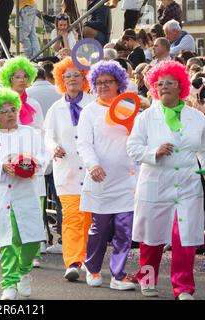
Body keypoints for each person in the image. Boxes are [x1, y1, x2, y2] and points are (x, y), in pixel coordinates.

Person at [127, 60, 205, 300]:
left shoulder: (196, 118)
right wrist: (153, 152)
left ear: (181, 86)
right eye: (160, 83)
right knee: (150, 239)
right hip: (156, 183)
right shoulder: (146, 117)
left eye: (169, 82)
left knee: (185, 238)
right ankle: (147, 280)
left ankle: (184, 288)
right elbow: (133, 147)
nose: (164, 86)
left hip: (187, 184)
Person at [0, 88, 48, 300]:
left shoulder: (31, 134)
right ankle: (8, 283)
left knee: (32, 240)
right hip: (3, 196)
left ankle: (24, 272)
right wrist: (2, 167)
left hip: (27, 193)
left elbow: (44, 158)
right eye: (3, 111)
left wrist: (32, 165)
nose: (9, 114)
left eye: (12, 109)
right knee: (8, 241)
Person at [77, 60, 137, 291]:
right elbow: (83, 143)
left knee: (124, 230)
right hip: (100, 179)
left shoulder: (130, 107)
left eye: (108, 82)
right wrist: (92, 165)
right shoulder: (89, 112)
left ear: (118, 83)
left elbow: (137, 140)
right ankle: (92, 268)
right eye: (99, 82)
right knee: (99, 229)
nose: (103, 86)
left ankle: (118, 275)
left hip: (126, 179)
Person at [44, 57, 95, 275]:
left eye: (77, 75)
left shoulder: (93, 104)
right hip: (67, 169)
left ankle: (87, 259)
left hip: (92, 170)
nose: (72, 79)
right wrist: (53, 147)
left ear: (84, 78)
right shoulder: (56, 108)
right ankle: (73, 262)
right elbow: (47, 135)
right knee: (72, 216)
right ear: (60, 79)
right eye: (67, 75)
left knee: (89, 218)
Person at [0, 56, 47, 266]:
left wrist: (38, 156)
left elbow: (42, 131)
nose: (22, 80)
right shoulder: (0, 102)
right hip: (9, 161)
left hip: (31, 159)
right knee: (7, 208)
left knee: (35, 203)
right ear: (9, 79)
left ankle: (33, 250)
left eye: (25, 76)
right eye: (17, 76)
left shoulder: (34, 102)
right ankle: (6, 245)